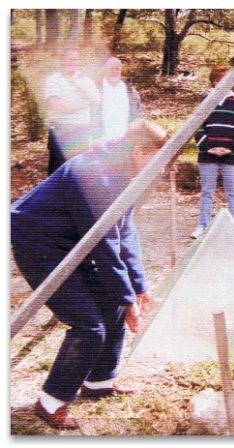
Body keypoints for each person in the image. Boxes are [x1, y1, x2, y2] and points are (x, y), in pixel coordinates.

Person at [11, 119, 168, 430]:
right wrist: (128, 299)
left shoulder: (123, 173)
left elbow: (126, 231)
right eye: (159, 160)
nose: (162, 170)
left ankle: (99, 380)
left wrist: (137, 286)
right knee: (88, 324)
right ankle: (51, 402)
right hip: (39, 244)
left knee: (111, 303)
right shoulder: (95, 174)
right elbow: (105, 246)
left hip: (72, 242)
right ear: (138, 151)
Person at [191, 65, 234, 239]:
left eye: (227, 80)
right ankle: (203, 225)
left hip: (231, 155)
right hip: (208, 154)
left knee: (232, 190)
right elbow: (197, 127)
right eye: (218, 80)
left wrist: (230, 147)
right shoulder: (205, 100)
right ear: (214, 82)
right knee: (207, 191)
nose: (222, 83)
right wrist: (209, 146)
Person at [43, 48, 101, 175]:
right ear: (62, 60)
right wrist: (85, 103)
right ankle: (56, 195)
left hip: (81, 132)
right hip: (61, 132)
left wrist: (77, 83)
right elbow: (56, 106)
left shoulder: (86, 81)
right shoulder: (53, 80)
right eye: (70, 58)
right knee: (57, 171)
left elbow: (96, 100)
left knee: (79, 172)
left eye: (76, 59)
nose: (73, 62)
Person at [96, 56, 144, 140]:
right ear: (105, 69)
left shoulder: (130, 90)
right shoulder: (96, 88)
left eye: (117, 69)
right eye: (111, 68)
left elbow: (138, 114)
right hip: (101, 140)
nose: (114, 71)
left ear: (121, 70)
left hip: (125, 140)